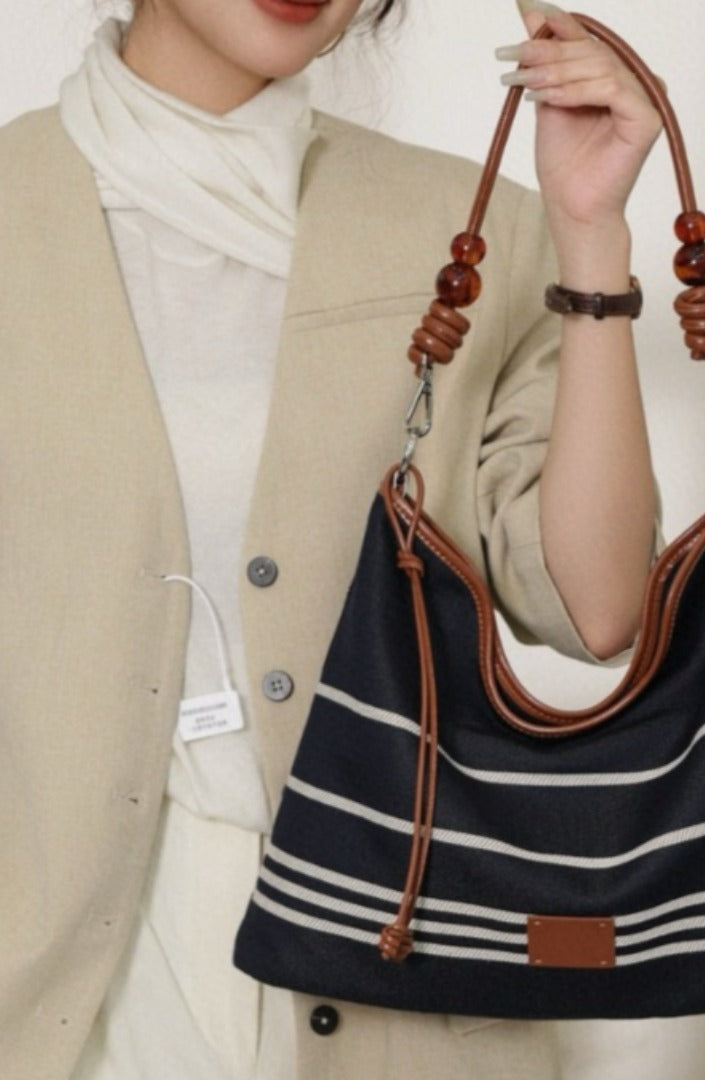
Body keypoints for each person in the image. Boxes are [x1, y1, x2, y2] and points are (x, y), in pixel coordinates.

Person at [0, 0, 661, 1077]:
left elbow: (598, 608)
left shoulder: (469, 228)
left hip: (401, 986)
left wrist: (592, 236)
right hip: (64, 992)